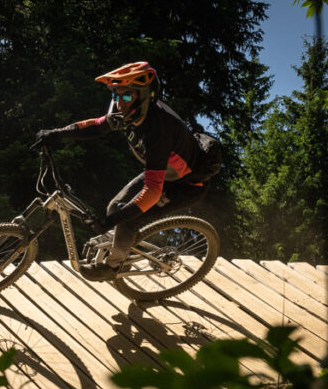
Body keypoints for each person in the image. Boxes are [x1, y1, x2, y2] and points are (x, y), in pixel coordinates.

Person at [35, 61, 212, 282]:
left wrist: (111, 222)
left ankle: (113, 266)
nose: (119, 102)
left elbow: (152, 192)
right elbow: (96, 126)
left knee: (127, 219)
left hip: (186, 185)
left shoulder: (158, 129)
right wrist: (55, 133)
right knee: (115, 207)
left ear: (143, 96)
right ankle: (124, 244)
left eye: (126, 96)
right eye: (116, 95)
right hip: (164, 174)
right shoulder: (130, 113)